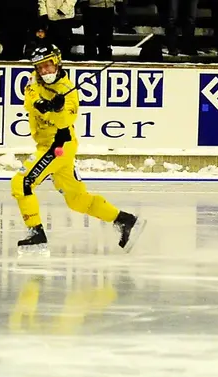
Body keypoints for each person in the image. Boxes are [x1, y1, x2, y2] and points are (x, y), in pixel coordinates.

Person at [10, 44, 146, 254]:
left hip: (58, 147)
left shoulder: (68, 92)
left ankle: (36, 232)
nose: (44, 71)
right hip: (49, 145)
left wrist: (56, 109)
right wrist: (41, 104)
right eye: (40, 67)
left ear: (57, 63)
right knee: (76, 200)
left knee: (22, 182)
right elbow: (29, 99)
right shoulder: (33, 79)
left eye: (48, 65)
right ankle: (125, 220)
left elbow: (65, 121)